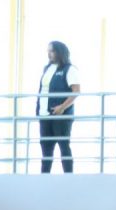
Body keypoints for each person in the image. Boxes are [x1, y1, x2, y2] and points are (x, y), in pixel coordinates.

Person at [36, 41, 80, 173]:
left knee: (64, 147)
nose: (49, 54)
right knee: (46, 151)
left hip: (61, 116)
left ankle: (68, 177)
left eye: (52, 51)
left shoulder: (69, 69)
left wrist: (62, 107)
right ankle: (44, 178)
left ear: (60, 52)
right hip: (44, 115)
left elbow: (76, 91)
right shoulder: (47, 68)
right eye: (48, 51)